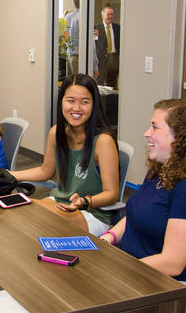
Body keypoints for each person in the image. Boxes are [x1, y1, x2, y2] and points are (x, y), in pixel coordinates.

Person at [99, 99, 186, 313]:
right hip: (136, 271)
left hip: (169, 289)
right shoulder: (164, 169)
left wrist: (115, 270)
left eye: (155, 127)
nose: (146, 133)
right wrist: (108, 237)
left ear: (182, 137)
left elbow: (172, 263)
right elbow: (135, 213)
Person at [10, 74, 119, 236]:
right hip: (59, 201)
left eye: (84, 102)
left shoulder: (103, 141)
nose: (76, 108)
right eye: (71, 100)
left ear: (94, 105)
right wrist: (9, 175)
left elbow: (112, 193)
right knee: (17, 211)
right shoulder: (56, 133)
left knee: (33, 224)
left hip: (91, 213)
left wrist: (85, 201)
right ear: (61, 102)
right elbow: (45, 171)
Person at [64, 0, 99, 78]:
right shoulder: (84, 18)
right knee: (81, 86)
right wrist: (95, 66)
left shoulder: (67, 17)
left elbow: (64, 38)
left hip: (70, 58)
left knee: (71, 86)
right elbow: (91, 44)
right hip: (80, 59)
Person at [93, 6, 120, 88]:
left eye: (112, 14)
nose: (110, 17)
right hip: (101, 61)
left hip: (114, 60)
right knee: (100, 85)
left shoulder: (118, 28)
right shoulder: (96, 28)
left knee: (112, 86)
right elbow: (94, 45)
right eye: (108, 14)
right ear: (102, 16)